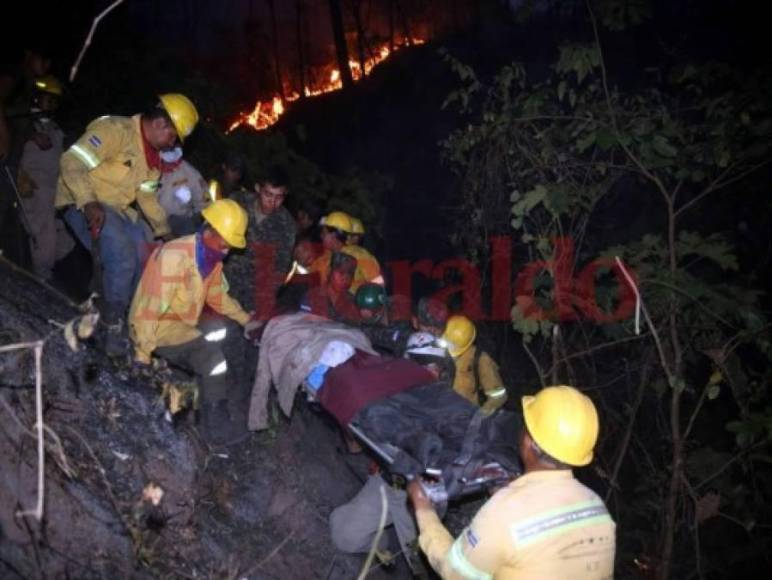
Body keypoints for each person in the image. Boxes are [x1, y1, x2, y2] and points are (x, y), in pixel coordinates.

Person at [408, 385, 616, 579]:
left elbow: (454, 572)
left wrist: (423, 507)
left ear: (529, 442)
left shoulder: (503, 512)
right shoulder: (597, 507)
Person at [57, 93, 199, 354]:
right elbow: (71, 161)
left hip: (115, 210)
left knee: (147, 254)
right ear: (160, 125)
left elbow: (145, 196)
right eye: (173, 137)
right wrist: (88, 201)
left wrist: (164, 232)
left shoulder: (152, 159)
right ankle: (112, 326)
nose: (172, 145)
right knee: (122, 255)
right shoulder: (115, 130)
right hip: (81, 202)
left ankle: (122, 316)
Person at [128, 199, 262, 446]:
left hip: (180, 323)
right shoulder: (175, 256)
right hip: (155, 328)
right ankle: (215, 429)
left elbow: (217, 296)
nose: (228, 249)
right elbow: (149, 308)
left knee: (222, 332)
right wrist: (141, 355)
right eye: (226, 242)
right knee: (213, 359)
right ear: (210, 230)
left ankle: (209, 395)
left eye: (232, 245)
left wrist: (246, 320)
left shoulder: (209, 260)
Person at [16, 75, 73, 279]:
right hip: (32, 185)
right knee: (45, 230)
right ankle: (41, 275)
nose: (51, 104)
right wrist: (30, 136)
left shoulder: (55, 129)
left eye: (55, 100)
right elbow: (10, 144)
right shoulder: (22, 121)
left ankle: (30, 261)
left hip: (54, 188)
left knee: (65, 241)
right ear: (36, 98)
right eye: (48, 98)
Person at [227, 165, 296, 320]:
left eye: (279, 197)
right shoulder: (237, 202)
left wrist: (261, 304)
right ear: (258, 188)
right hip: (220, 284)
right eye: (268, 194)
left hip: (250, 296)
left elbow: (278, 270)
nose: (273, 202)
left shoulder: (286, 225)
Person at [441, 314, 508, 414]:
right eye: (448, 343)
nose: (450, 349)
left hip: (464, 417)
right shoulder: (436, 351)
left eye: (453, 346)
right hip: (439, 415)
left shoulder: (480, 358)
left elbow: (498, 395)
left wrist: (481, 415)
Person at [156, 145, 208, 236]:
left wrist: (200, 219)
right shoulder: (151, 167)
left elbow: (204, 201)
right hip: (153, 219)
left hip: (179, 222)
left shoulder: (189, 172)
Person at [301, 251, 360, 324]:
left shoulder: (353, 302)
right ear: (329, 271)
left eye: (350, 274)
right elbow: (303, 325)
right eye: (341, 272)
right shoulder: (312, 296)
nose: (345, 278)